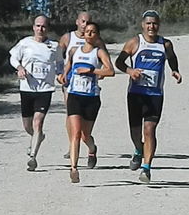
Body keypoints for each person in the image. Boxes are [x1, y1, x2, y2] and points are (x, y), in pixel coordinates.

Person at [115, 10, 182, 183]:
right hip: (136, 94)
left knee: (149, 129)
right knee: (135, 131)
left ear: (158, 25)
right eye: (148, 23)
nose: (151, 27)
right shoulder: (135, 42)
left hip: (155, 95)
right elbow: (119, 62)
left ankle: (146, 168)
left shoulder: (165, 44)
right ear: (143, 25)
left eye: (155, 23)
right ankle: (138, 149)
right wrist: (130, 71)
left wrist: (175, 70)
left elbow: (172, 58)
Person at [59, 22, 115, 183]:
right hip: (75, 95)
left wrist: (92, 71)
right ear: (83, 35)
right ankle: (74, 168)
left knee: (85, 135)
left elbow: (110, 71)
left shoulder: (99, 53)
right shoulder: (74, 51)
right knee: (75, 133)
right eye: (87, 32)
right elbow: (67, 68)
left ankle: (92, 149)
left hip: (91, 98)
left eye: (93, 32)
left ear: (97, 35)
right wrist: (63, 76)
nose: (89, 34)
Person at [9, 14, 64, 171]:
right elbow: (13, 58)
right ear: (33, 27)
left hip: (45, 89)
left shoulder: (54, 46)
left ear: (48, 28)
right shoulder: (25, 43)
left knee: (38, 122)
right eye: (38, 26)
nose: (41, 29)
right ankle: (38, 137)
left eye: (44, 26)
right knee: (28, 126)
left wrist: (60, 75)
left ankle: (33, 156)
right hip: (27, 88)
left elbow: (60, 63)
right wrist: (19, 68)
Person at [58, 12, 107, 159]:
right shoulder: (68, 38)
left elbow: (105, 62)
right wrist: (61, 74)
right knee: (71, 114)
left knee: (85, 128)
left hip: (88, 86)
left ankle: (85, 143)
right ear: (77, 22)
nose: (85, 24)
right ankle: (72, 144)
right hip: (71, 83)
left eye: (88, 22)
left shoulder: (97, 41)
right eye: (83, 21)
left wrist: (99, 73)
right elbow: (58, 57)